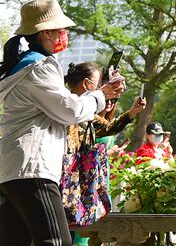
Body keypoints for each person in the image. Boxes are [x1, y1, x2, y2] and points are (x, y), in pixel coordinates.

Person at [0, 0, 124, 246]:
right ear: (45, 33)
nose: (64, 35)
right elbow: (70, 110)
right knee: (56, 242)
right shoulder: (40, 66)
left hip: (13, 168)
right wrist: (102, 94)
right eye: (60, 30)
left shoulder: (20, 66)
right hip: (32, 166)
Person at [64, 63, 146, 246]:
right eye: (98, 83)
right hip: (60, 177)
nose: (101, 88)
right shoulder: (64, 104)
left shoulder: (87, 111)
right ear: (86, 84)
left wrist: (133, 111)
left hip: (75, 180)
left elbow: (108, 127)